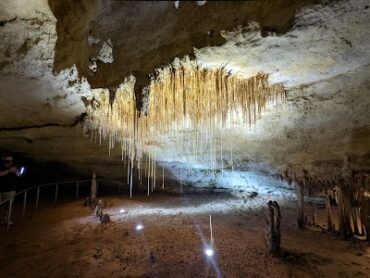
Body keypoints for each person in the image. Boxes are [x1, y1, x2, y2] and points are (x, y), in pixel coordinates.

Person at [0, 153, 22, 225]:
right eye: (7, 160)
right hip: (1, 189)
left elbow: (19, 175)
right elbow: (1, 174)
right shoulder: (1, 166)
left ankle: (7, 220)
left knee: (8, 206)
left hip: (10, 190)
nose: (9, 162)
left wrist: (16, 172)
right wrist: (9, 170)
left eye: (10, 160)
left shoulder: (14, 167)